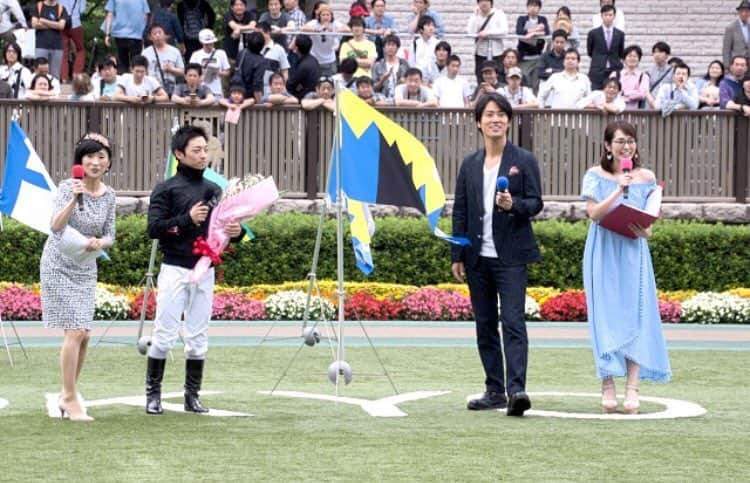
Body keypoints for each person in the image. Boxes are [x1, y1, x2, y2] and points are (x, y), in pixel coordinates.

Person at [452, 93, 542, 416]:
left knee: (514, 321)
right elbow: (460, 210)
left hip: (512, 256)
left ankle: (516, 389)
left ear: (508, 120)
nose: (496, 119)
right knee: (485, 323)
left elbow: (536, 203)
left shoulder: (523, 160)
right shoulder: (470, 164)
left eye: (501, 114)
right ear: (478, 121)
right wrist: (457, 254)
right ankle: (494, 390)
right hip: (478, 258)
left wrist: (513, 206)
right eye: (489, 114)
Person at [145, 125, 244, 415]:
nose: (203, 156)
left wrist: (235, 231)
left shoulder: (214, 190)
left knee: (198, 337)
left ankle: (192, 396)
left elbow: (224, 228)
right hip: (175, 267)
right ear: (179, 154)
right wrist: (187, 219)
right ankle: (153, 395)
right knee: (164, 333)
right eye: (196, 150)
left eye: (205, 150)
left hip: (205, 270)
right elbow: (154, 228)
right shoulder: (166, 189)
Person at [580, 120, 671, 414]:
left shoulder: (646, 177)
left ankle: (633, 386)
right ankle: (607, 382)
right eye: (620, 141)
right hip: (603, 248)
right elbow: (594, 213)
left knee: (636, 314)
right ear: (608, 146)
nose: (626, 146)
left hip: (633, 248)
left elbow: (649, 219)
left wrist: (647, 231)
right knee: (604, 314)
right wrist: (618, 190)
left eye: (630, 141)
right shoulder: (595, 175)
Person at [41, 133, 116, 422]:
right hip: (58, 264)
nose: (95, 162)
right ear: (80, 161)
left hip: (85, 265)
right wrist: (74, 199)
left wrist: (100, 243)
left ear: (108, 162)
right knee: (74, 331)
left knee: (84, 333)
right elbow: (55, 226)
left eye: (101, 157)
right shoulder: (66, 187)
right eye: (90, 156)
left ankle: (66, 393)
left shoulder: (109, 195)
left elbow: (110, 234)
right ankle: (70, 399)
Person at [467, 0, 508, 84]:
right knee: (480, 76)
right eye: (481, 1)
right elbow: (470, 31)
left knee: (498, 75)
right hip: (480, 52)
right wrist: (475, 16)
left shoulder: (499, 14)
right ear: (478, 3)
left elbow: (504, 30)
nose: (484, 3)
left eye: (486, 1)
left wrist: (488, 33)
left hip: (497, 52)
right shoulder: (475, 15)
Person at [103, 0, 150, 74]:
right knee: (136, 63)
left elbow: (110, 14)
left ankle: (123, 81)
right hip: (136, 35)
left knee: (122, 63)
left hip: (120, 34)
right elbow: (145, 16)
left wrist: (107, 33)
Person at [302, 3, 348, 77]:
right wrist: (317, 30)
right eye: (323, 15)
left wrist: (334, 30)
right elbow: (303, 28)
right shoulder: (314, 23)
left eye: (328, 15)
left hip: (330, 60)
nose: (325, 17)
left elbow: (347, 29)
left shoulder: (334, 23)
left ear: (331, 16)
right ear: (319, 16)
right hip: (315, 59)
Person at [586, 4, 624, 90]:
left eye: (610, 15)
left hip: (614, 69)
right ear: (601, 16)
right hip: (597, 70)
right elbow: (590, 51)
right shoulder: (593, 33)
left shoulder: (620, 34)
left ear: (614, 16)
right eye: (606, 15)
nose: (608, 17)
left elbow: (621, 52)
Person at [142, 23, 185, 96]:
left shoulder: (175, 51)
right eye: (154, 33)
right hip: (152, 90)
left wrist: (171, 69)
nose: (157, 35)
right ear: (150, 37)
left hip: (170, 89)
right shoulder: (145, 53)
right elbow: (143, 72)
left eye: (159, 32)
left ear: (165, 35)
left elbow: (183, 72)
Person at [31, 0, 71, 80]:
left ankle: (54, 91)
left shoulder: (61, 8)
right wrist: (55, 24)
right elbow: (34, 24)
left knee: (55, 75)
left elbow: (61, 26)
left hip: (57, 46)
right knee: (39, 73)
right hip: (41, 45)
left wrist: (43, 21)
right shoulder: (38, 6)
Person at [515, 0, 549, 92]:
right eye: (531, 5)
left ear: (539, 8)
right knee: (523, 81)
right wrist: (537, 30)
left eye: (535, 5)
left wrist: (531, 33)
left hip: (537, 56)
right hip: (524, 57)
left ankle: (535, 104)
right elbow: (519, 31)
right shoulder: (522, 19)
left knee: (536, 83)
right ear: (527, 7)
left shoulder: (543, 19)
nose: (533, 8)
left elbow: (547, 32)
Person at [189, 29, 231, 99]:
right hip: (201, 89)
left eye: (211, 43)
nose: (210, 46)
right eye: (207, 44)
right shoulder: (196, 55)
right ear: (202, 43)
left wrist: (219, 73)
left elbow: (227, 72)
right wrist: (201, 72)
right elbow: (190, 72)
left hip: (216, 90)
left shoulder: (221, 53)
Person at [371, 34, 409, 100]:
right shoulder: (377, 65)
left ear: (397, 48)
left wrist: (404, 82)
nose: (390, 47)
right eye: (388, 45)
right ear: (384, 48)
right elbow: (373, 88)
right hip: (383, 97)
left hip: (402, 97)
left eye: (393, 45)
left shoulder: (404, 64)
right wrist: (383, 79)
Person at [231, 31, 265, 102]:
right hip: (250, 98)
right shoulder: (260, 61)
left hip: (236, 94)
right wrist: (260, 103)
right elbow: (257, 84)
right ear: (262, 45)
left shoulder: (242, 53)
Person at [59, 0, 86, 83]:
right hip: (75, 23)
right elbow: (82, 10)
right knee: (80, 50)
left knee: (63, 53)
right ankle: (76, 75)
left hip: (61, 24)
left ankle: (64, 78)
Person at [286, 34, 320, 100]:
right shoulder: (313, 59)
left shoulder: (304, 66)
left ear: (296, 48)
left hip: (305, 98)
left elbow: (289, 85)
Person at [616, 45, 649, 109]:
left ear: (639, 59)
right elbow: (612, 93)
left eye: (635, 56)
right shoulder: (616, 75)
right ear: (624, 59)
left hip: (636, 113)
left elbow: (642, 94)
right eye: (629, 56)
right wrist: (634, 93)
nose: (632, 58)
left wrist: (625, 93)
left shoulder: (643, 77)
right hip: (616, 111)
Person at [722, 1, 750, 68]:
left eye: (747, 11)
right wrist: (726, 67)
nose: (744, 13)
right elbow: (726, 49)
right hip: (736, 65)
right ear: (739, 12)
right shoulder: (731, 28)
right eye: (742, 11)